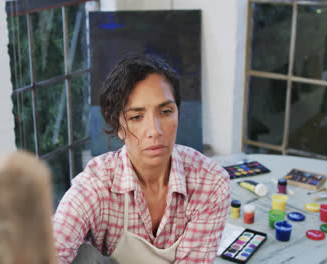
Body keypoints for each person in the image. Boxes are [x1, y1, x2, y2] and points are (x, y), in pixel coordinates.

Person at [53, 54, 230, 264]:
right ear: (118, 127)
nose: (154, 131)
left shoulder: (210, 182)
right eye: (136, 117)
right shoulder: (96, 185)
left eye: (165, 111)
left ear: (178, 113)